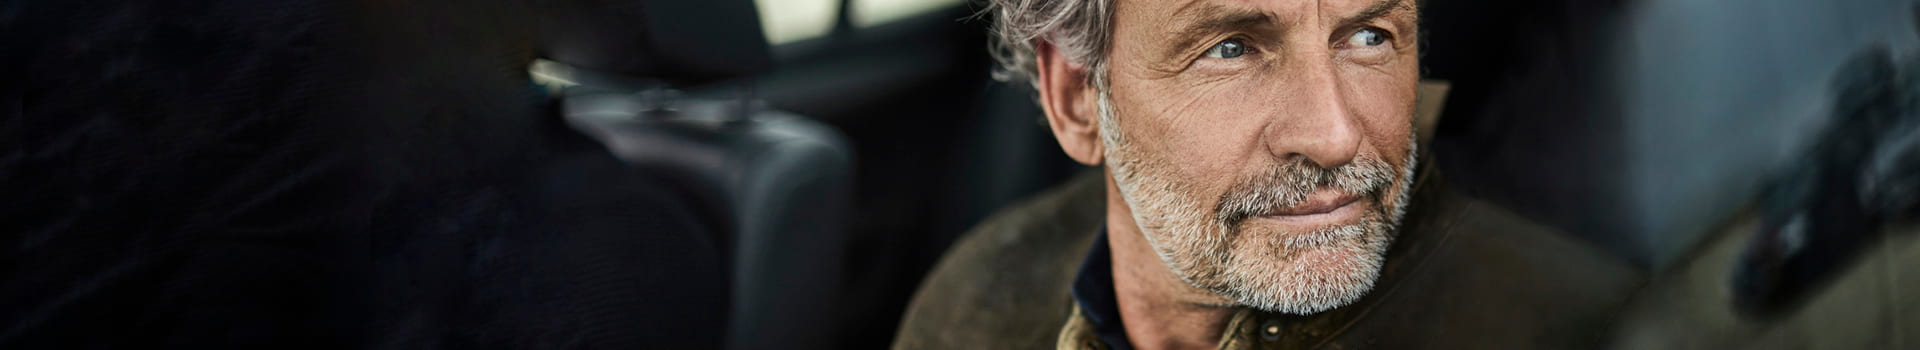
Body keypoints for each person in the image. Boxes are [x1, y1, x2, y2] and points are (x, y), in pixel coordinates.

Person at [893, 0, 1641, 348]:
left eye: (1369, 36)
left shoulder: (1585, 328)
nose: (1335, 134)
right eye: (1231, 48)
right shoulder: (980, 299)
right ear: (1078, 98)